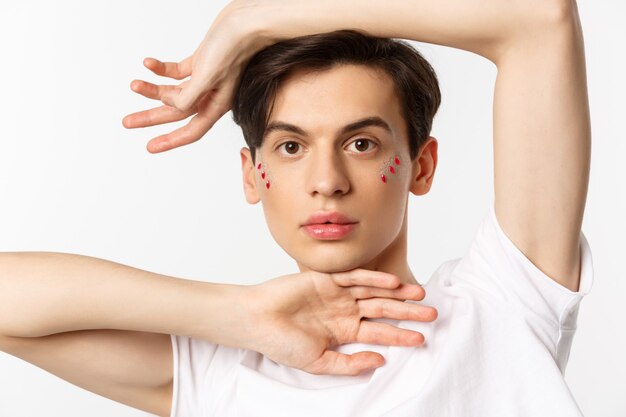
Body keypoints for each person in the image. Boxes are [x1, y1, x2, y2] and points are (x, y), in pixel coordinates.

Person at [0, 0, 592, 416]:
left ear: (422, 165)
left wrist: (256, 19)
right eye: (290, 146)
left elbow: (538, 17)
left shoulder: (505, 303)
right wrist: (238, 315)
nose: (327, 182)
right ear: (252, 176)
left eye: (361, 144)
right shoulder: (224, 373)